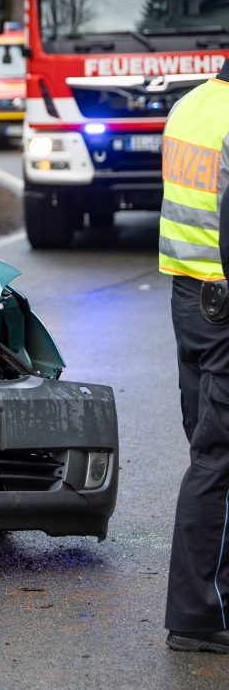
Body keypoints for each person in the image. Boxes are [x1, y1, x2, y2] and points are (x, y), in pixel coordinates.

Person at [161, 58, 229, 653]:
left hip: (189, 298)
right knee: (221, 460)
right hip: (226, 302)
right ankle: (205, 612)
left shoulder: (192, 106)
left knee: (207, 448)